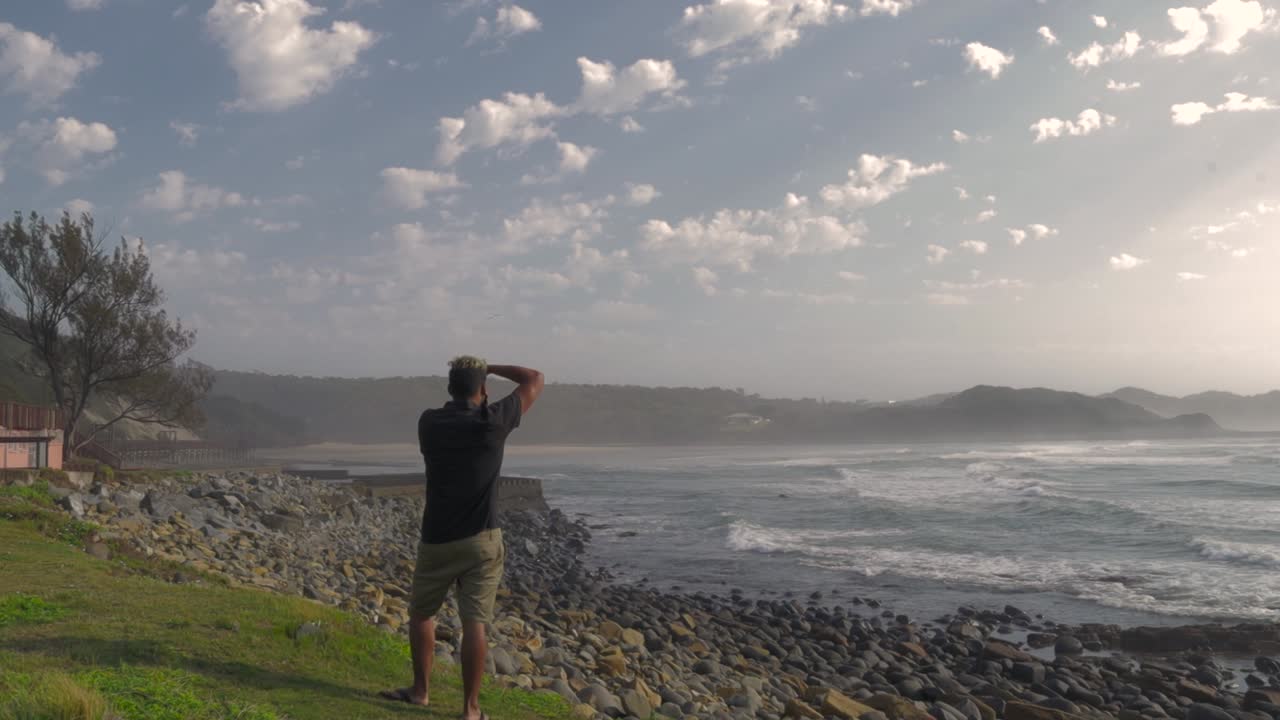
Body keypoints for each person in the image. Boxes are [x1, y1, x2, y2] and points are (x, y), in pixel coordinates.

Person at [381, 356, 544, 718]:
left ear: (450, 388)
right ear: (483, 390)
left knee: (423, 615)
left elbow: (455, 403)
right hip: (482, 540)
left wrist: (473, 375)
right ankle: (470, 709)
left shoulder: (430, 423)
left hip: (436, 538)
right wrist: (492, 367)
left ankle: (421, 691)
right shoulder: (493, 423)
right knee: (475, 623)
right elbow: (533, 378)